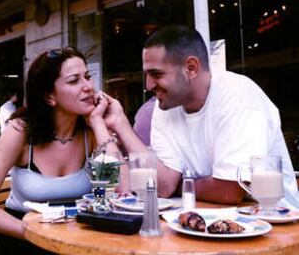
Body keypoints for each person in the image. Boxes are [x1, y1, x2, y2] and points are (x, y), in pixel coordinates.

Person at [100, 24, 299, 209]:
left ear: (191, 68)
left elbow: (230, 191)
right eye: (146, 75)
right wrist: (120, 124)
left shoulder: (236, 94)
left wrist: (181, 184)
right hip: (204, 226)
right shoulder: (165, 107)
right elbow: (162, 187)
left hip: (276, 229)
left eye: (156, 74)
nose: (148, 85)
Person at [0, 47, 122, 254]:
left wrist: (98, 123)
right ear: (49, 97)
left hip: (79, 238)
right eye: (74, 80)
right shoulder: (21, 131)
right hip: (24, 240)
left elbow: (120, 192)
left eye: (87, 77)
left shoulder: (91, 131)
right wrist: (37, 235)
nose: (88, 87)